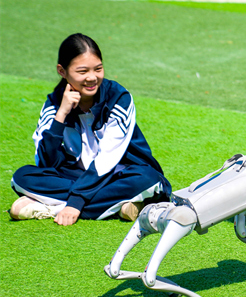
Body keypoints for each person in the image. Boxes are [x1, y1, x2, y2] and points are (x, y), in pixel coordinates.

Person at [10, 34, 171, 226]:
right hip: (79, 176)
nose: (92, 77)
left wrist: (75, 203)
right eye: (82, 71)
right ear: (62, 71)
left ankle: (52, 207)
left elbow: (107, 160)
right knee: (22, 177)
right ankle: (121, 206)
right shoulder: (54, 103)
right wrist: (61, 115)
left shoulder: (119, 98)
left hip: (120, 173)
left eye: (98, 69)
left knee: (148, 179)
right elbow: (46, 163)